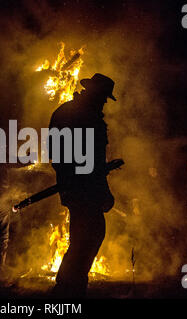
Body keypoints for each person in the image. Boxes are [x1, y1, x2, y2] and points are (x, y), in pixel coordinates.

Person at [48, 73, 117, 298]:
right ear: (95, 93)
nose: (105, 101)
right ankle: (68, 290)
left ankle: (70, 288)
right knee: (88, 237)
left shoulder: (70, 112)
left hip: (79, 187)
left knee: (85, 238)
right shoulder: (81, 116)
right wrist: (95, 186)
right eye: (104, 97)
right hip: (83, 189)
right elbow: (79, 159)